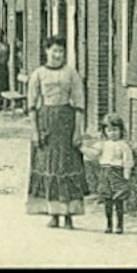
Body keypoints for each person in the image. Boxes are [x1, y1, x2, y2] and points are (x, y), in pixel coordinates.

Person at [25, 35, 88, 228]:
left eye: (60, 51)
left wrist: (78, 131)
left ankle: (69, 215)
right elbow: (32, 105)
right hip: (46, 123)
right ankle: (53, 214)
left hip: (66, 122)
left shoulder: (72, 74)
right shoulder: (38, 74)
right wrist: (35, 131)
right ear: (47, 52)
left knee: (66, 166)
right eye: (54, 50)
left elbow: (79, 104)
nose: (57, 54)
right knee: (49, 167)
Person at [92, 113, 137, 234]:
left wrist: (126, 175)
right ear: (105, 131)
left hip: (117, 173)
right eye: (109, 130)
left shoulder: (123, 145)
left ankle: (120, 225)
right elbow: (93, 154)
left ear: (121, 130)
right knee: (107, 200)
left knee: (119, 201)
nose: (112, 133)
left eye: (115, 130)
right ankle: (109, 224)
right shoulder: (102, 144)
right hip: (105, 172)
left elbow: (128, 161)